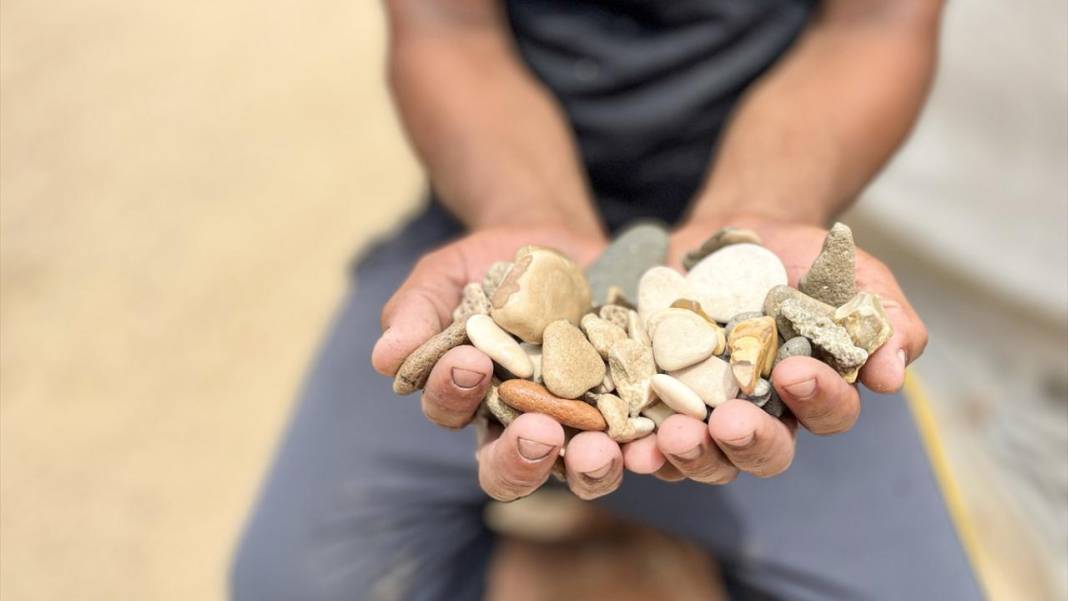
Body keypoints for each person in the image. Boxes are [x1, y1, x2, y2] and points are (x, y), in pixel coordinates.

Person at [232, 0, 983, 599]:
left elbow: (878, 20)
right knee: (284, 583)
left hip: (764, 254)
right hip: (492, 217)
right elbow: (445, 24)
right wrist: (525, 224)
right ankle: (585, 566)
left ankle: (645, 547)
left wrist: (749, 224)